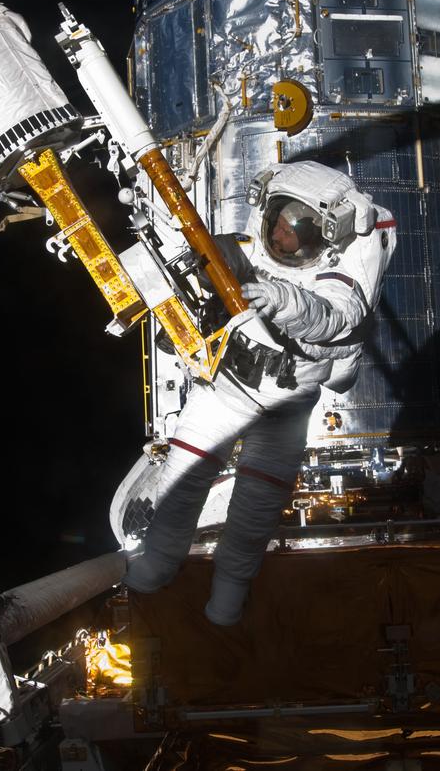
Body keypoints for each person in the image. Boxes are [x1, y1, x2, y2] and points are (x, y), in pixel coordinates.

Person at [122, 161, 397, 625]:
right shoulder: (257, 250)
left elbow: (334, 316)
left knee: (255, 508)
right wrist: (195, 255)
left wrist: (286, 301)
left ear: (327, 234)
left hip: (286, 407)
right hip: (228, 389)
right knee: (181, 478)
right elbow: (222, 256)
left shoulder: (342, 272)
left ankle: (230, 587)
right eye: (279, 225)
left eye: (297, 233)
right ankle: (160, 560)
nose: (282, 241)